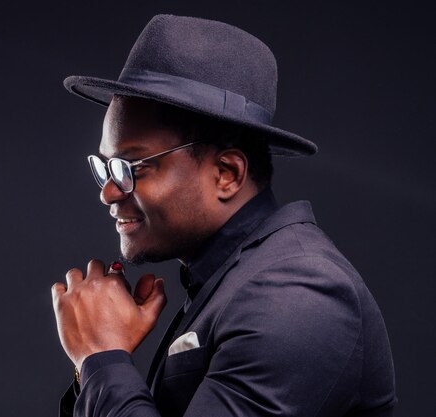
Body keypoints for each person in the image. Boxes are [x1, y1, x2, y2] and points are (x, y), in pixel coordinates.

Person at [51, 14, 396, 417]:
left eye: (132, 168)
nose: (108, 192)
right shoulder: (231, 279)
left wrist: (102, 357)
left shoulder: (297, 294)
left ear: (227, 174)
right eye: (106, 167)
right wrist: (91, 370)